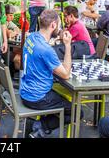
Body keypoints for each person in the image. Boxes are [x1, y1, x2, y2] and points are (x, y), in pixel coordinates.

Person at [20, 10, 73, 138]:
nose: (59, 28)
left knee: (60, 100)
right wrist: (67, 46)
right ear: (53, 25)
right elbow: (66, 74)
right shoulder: (46, 50)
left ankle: (38, 125)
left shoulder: (31, 37)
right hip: (38, 97)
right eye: (58, 25)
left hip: (25, 91)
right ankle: (39, 126)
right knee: (75, 111)